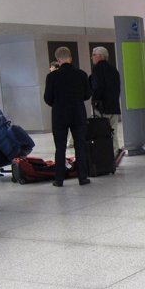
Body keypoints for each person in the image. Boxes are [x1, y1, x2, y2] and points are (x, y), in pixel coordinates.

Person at [44, 46, 91, 187]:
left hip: (59, 116)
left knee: (60, 148)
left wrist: (57, 104)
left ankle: (59, 179)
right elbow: (87, 94)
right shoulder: (81, 74)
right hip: (77, 114)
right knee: (80, 146)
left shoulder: (52, 77)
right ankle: (82, 177)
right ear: (70, 58)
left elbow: (47, 98)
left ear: (58, 60)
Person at [90, 46, 125, 165]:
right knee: (113, 132)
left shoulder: (97, 70)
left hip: (102, 107)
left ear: (100, 56)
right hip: (114, 106)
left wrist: (95, 99)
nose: (92, 57)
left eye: (93, 55)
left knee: (103, 133)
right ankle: (115, 153)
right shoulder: (114, 70)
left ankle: (106, 157)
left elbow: (97, 87)